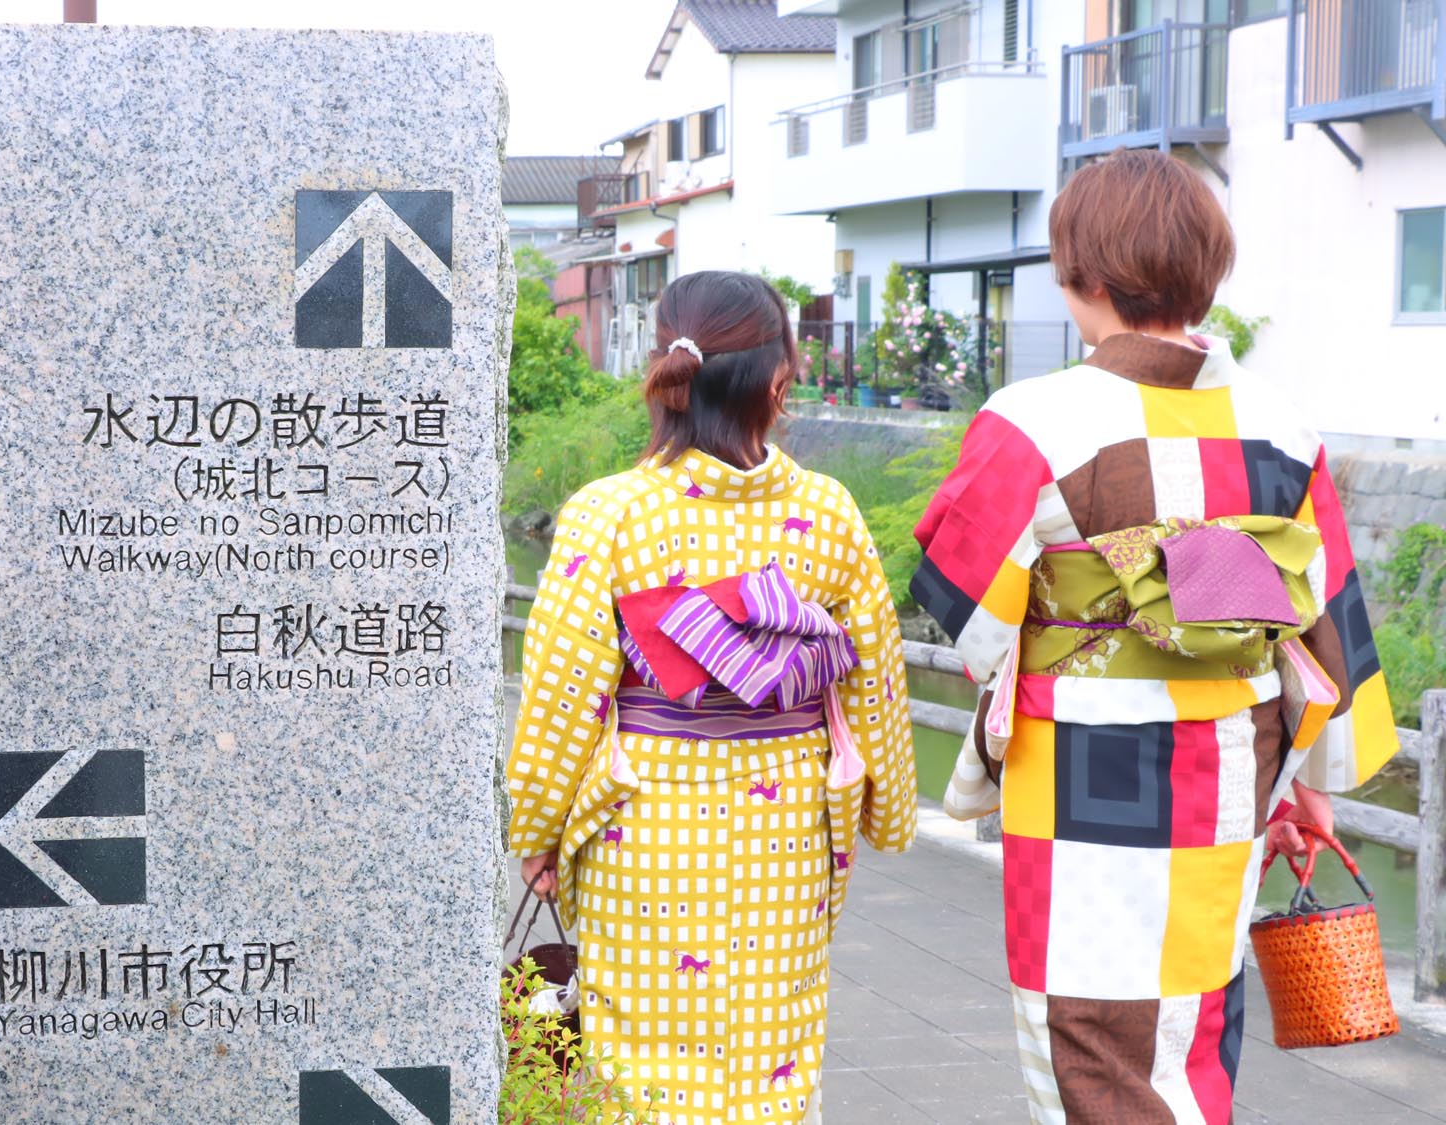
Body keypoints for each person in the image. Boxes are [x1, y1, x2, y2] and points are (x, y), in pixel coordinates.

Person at [912, 149, 1400, 1123]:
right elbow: (1325, 637)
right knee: (1188, 1029)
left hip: (1084, 773)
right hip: (1229, 774)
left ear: (1075, 274)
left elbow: (962, 611)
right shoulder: (1280, 430)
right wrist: (1306, 785)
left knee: (1087, 1039)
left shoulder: (1033, 422)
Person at [506, 270, 917, 1125]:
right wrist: (887, 812)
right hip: (790, 830)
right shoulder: (831, 514)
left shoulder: (608, 514)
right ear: (778, 379)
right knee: (774, 1047)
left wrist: (538, 832)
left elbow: (561, 693)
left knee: (639, 1058)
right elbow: (874, 675)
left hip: (644, 825)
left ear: (667, 370)